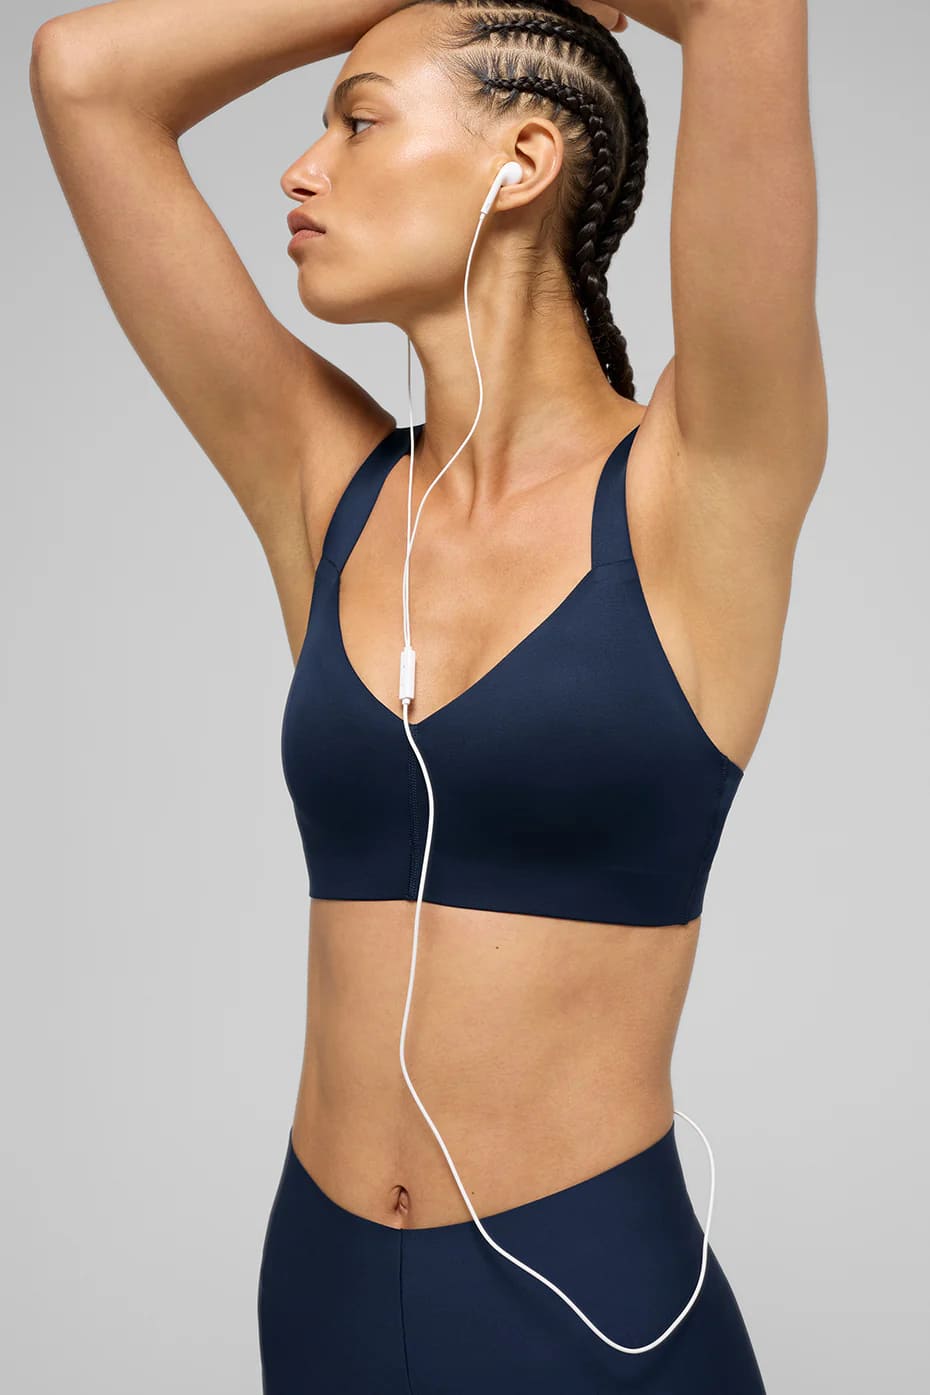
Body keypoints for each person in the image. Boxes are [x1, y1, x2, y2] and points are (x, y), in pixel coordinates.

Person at [31, 0, 827, 1388]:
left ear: (522, 161)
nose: (299, 171)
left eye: (358, 121)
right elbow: (83, 75)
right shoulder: (330, 494)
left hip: (586, 1308)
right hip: (322, 1292)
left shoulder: (699, 487)